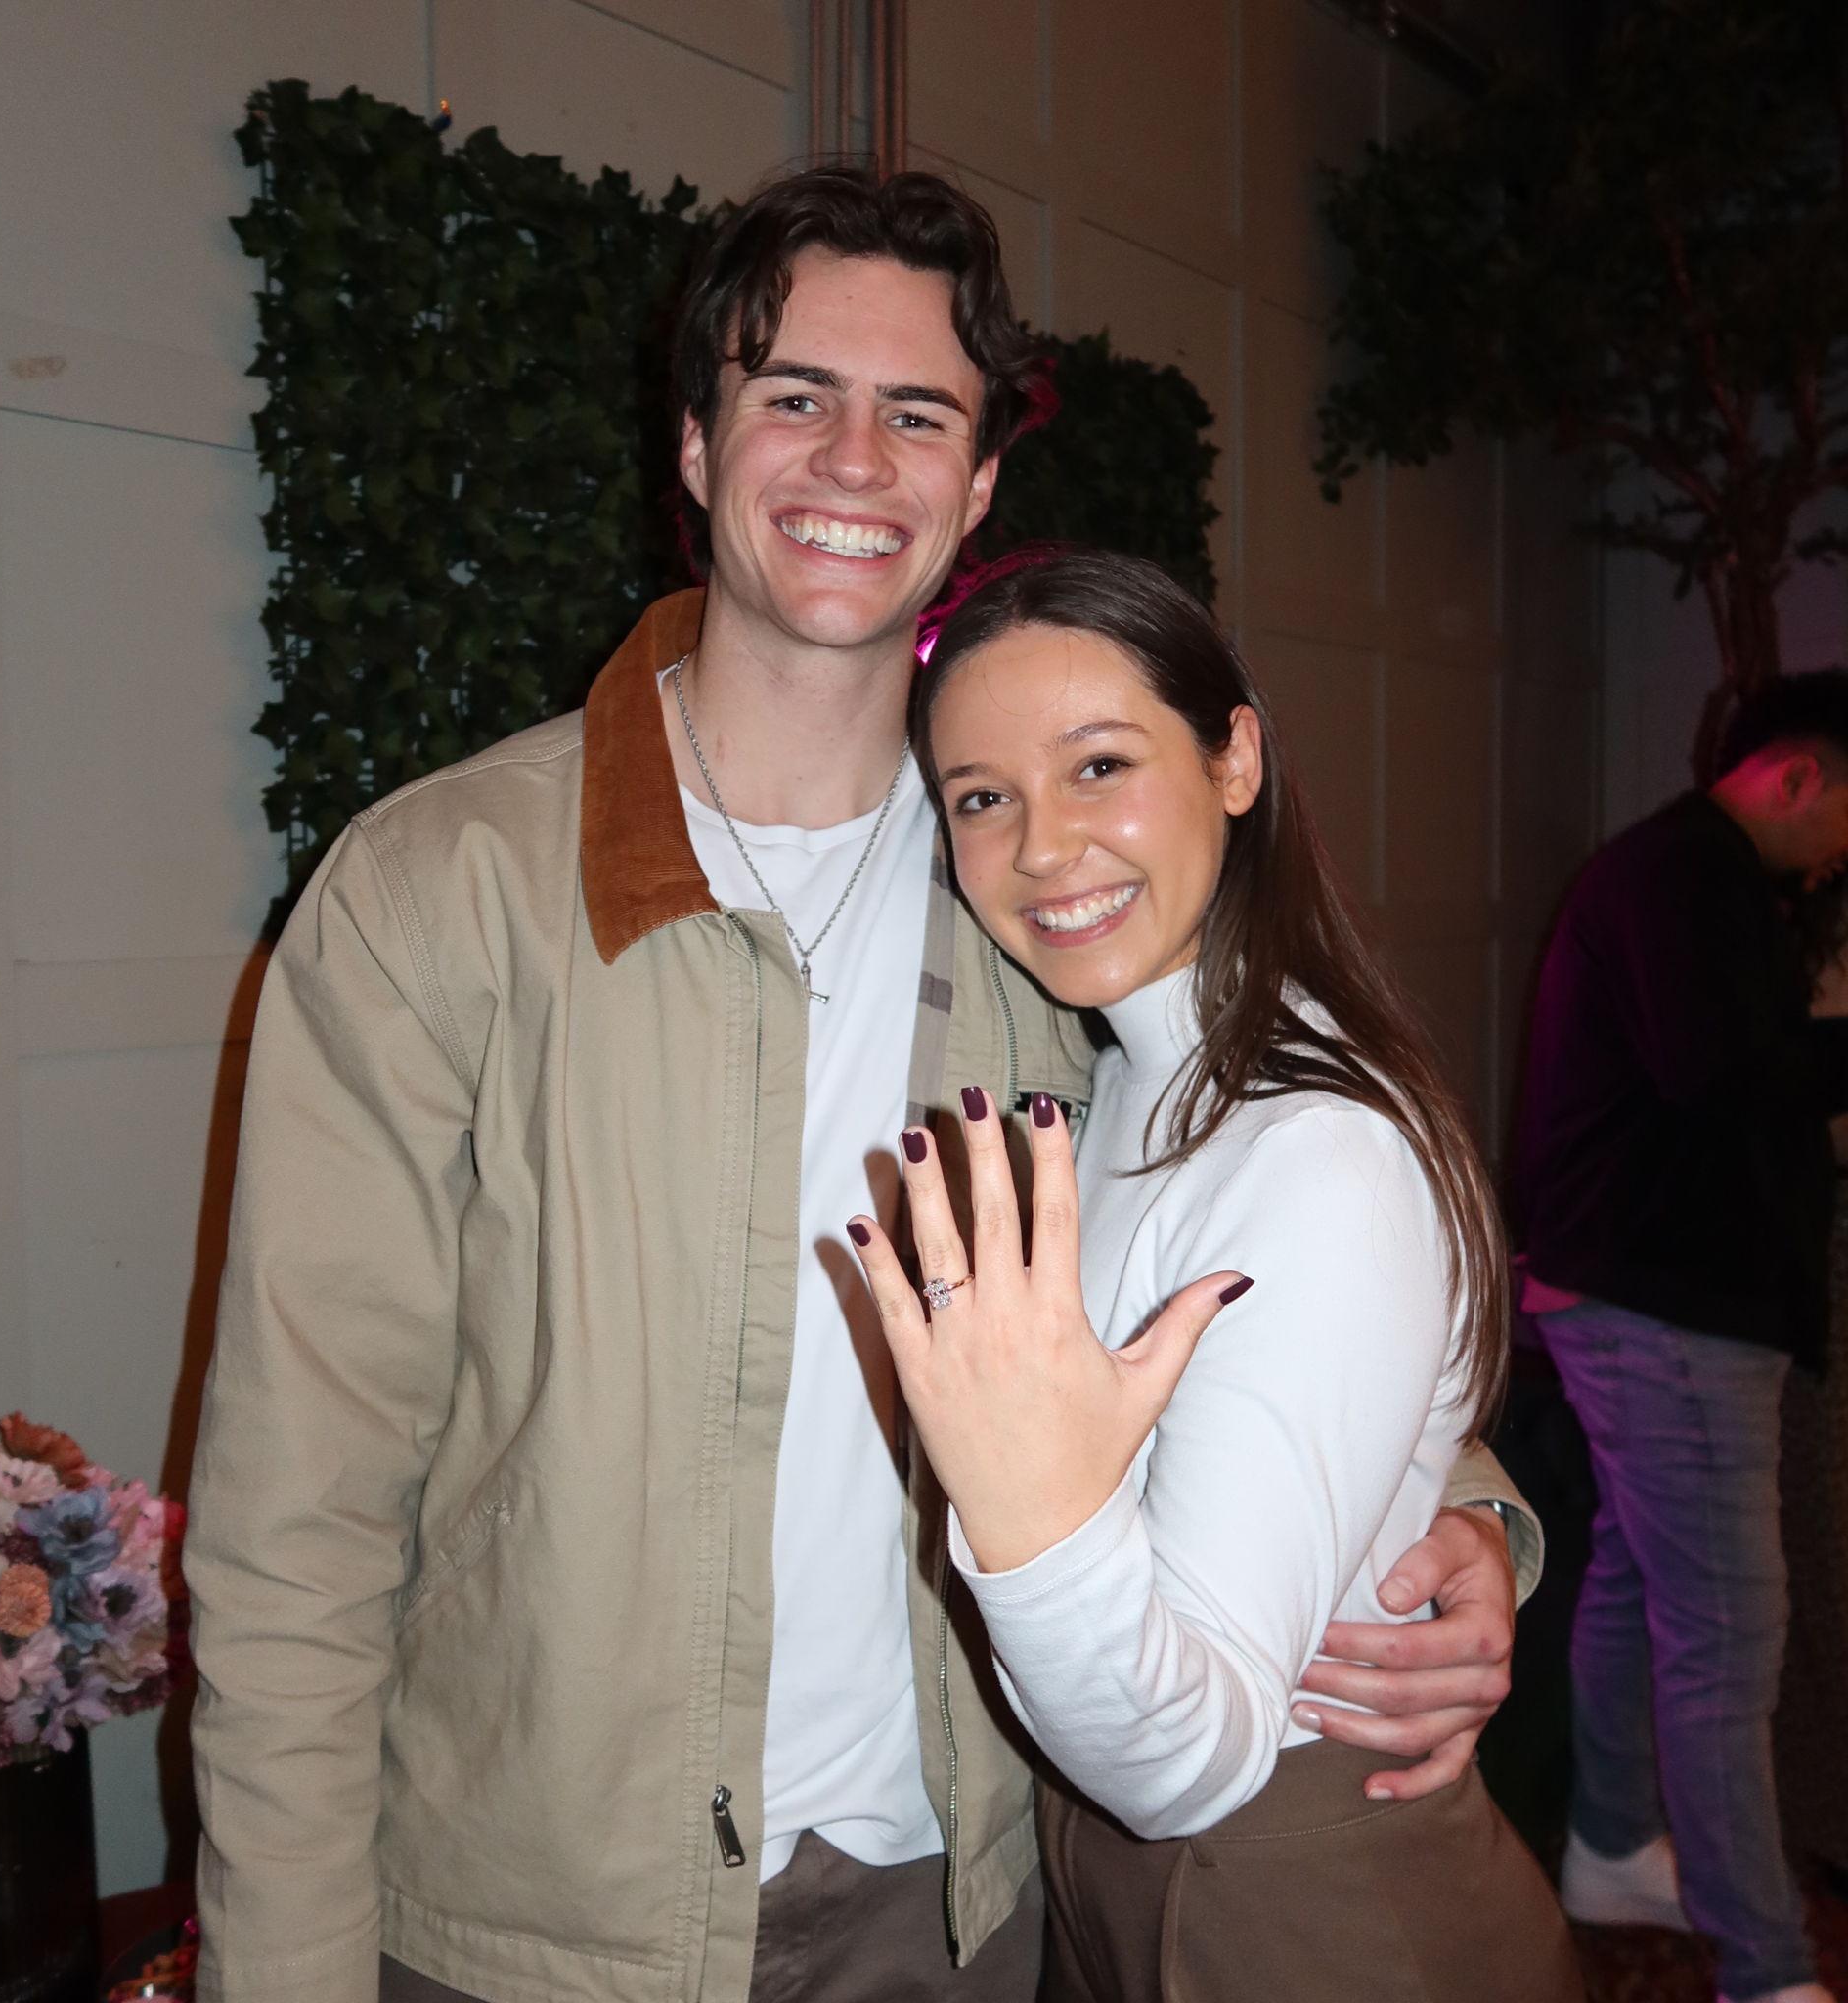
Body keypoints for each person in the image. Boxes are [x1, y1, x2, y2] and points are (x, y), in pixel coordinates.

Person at [185, 166, 1542, 2003]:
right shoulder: (446, 894)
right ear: (693, 442)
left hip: (957, 1903)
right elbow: (297, 1527)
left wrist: (1465, 1516)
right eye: (794, 394)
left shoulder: (1041, 899)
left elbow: (1248, 1228)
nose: (853, 458)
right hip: (542, 1928)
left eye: (917, 414)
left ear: (976, 487)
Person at [847, 547, 1582, 2002]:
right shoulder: (1126, 1073)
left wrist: (1031, 1508)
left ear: (1235, 757)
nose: (1043, 847)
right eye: (982, 797)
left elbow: (1192, 1759)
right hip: (1113, 1870)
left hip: (1305, 1898)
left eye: (1099, 765)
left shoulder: (1316, 1151)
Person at [1511, 669, 1848, 2003]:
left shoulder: (1688, 872)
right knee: (1726, 1635)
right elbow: (1723, 1073)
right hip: (1665, 1305)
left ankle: (1608, 1848)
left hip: (1642, 1292)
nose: (1844, 848)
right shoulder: (1683, 873)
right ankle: (1767, 1965)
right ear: (1802, 775)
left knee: (1639, 1585)